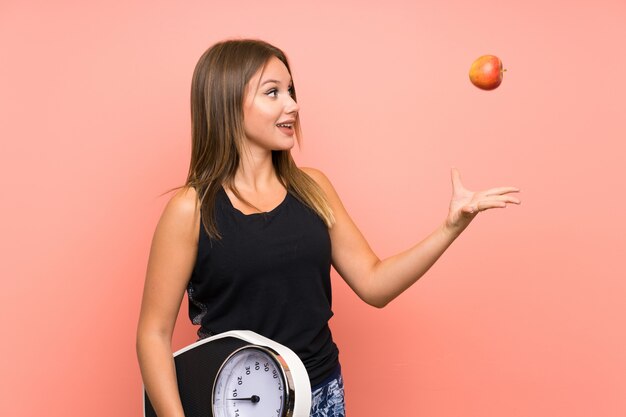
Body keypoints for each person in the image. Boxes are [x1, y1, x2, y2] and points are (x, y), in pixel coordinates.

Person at [136, 38, 521, 417]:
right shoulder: (191, 210)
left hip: (321, 394)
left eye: (290, 90)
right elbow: (152, 334)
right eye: (273, 93)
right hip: (234, 405)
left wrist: (450, 226)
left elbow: (374, 284)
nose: (293, 104)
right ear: (227, 103)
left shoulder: (312, 188)